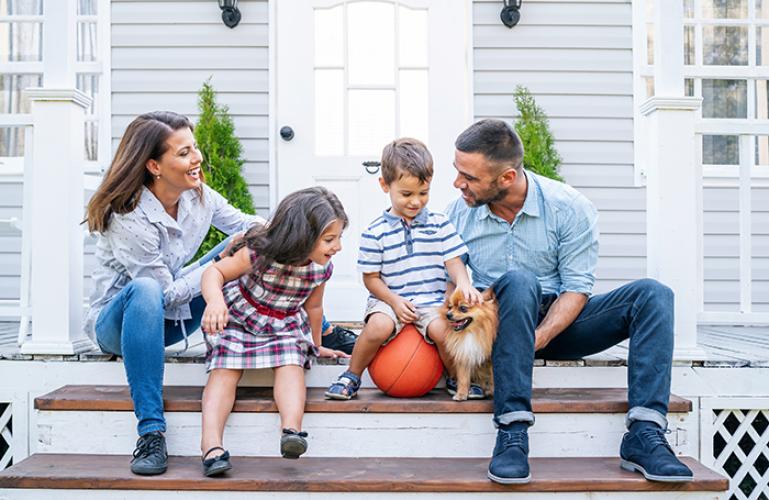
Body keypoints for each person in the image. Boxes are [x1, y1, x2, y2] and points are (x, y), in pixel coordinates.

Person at [445, 119, 693, 484]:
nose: (457, 184)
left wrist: (537, 339)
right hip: (496, 326)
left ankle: (645, 434)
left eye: (468, 176)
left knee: (654, 295)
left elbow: (577, 288)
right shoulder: (457, 214)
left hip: (561, 323)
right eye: (457, 172)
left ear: (507, 177)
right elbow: (449, 287)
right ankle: (513, 431)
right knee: (517, 281)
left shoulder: (569, 207)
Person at [84, 111, 266, 476]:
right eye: (184, 153)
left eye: (194, 148)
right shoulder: (129, 215)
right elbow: (163, 294)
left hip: (172, 322)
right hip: (119, 326)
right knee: (148, 288)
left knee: (258, 241)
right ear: (154, 165)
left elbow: (244, 222)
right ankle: (151, 432)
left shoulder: (198, 195)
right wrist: (219, 265)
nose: (196, 158)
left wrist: (277, 229)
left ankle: (320, 329)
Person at [199, 187, 350, 475]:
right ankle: (211, 445)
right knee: (225, 369)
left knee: (292, 361)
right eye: (330, 239)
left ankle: (291, 431)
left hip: (283, 322)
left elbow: (314, 309)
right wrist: (215, 302)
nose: (338, 247)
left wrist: (315, 345)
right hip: (239, 319)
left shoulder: (321, 269)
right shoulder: (257, 254)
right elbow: (213, 272)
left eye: (339, 238)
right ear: (301, 236)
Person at [325, 138, 482, 401]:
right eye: (406, 194)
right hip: (389, 299)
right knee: (377, 327)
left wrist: (463, 282)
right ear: (385, 185)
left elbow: (454, 260)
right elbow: (371, 279)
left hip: (431, 302)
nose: (416, 202)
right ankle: (351, 375)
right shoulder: (376, 232)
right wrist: (394, 301)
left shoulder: (439, 223)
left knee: (443, 332)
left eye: (424, 193)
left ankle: (457, 378)